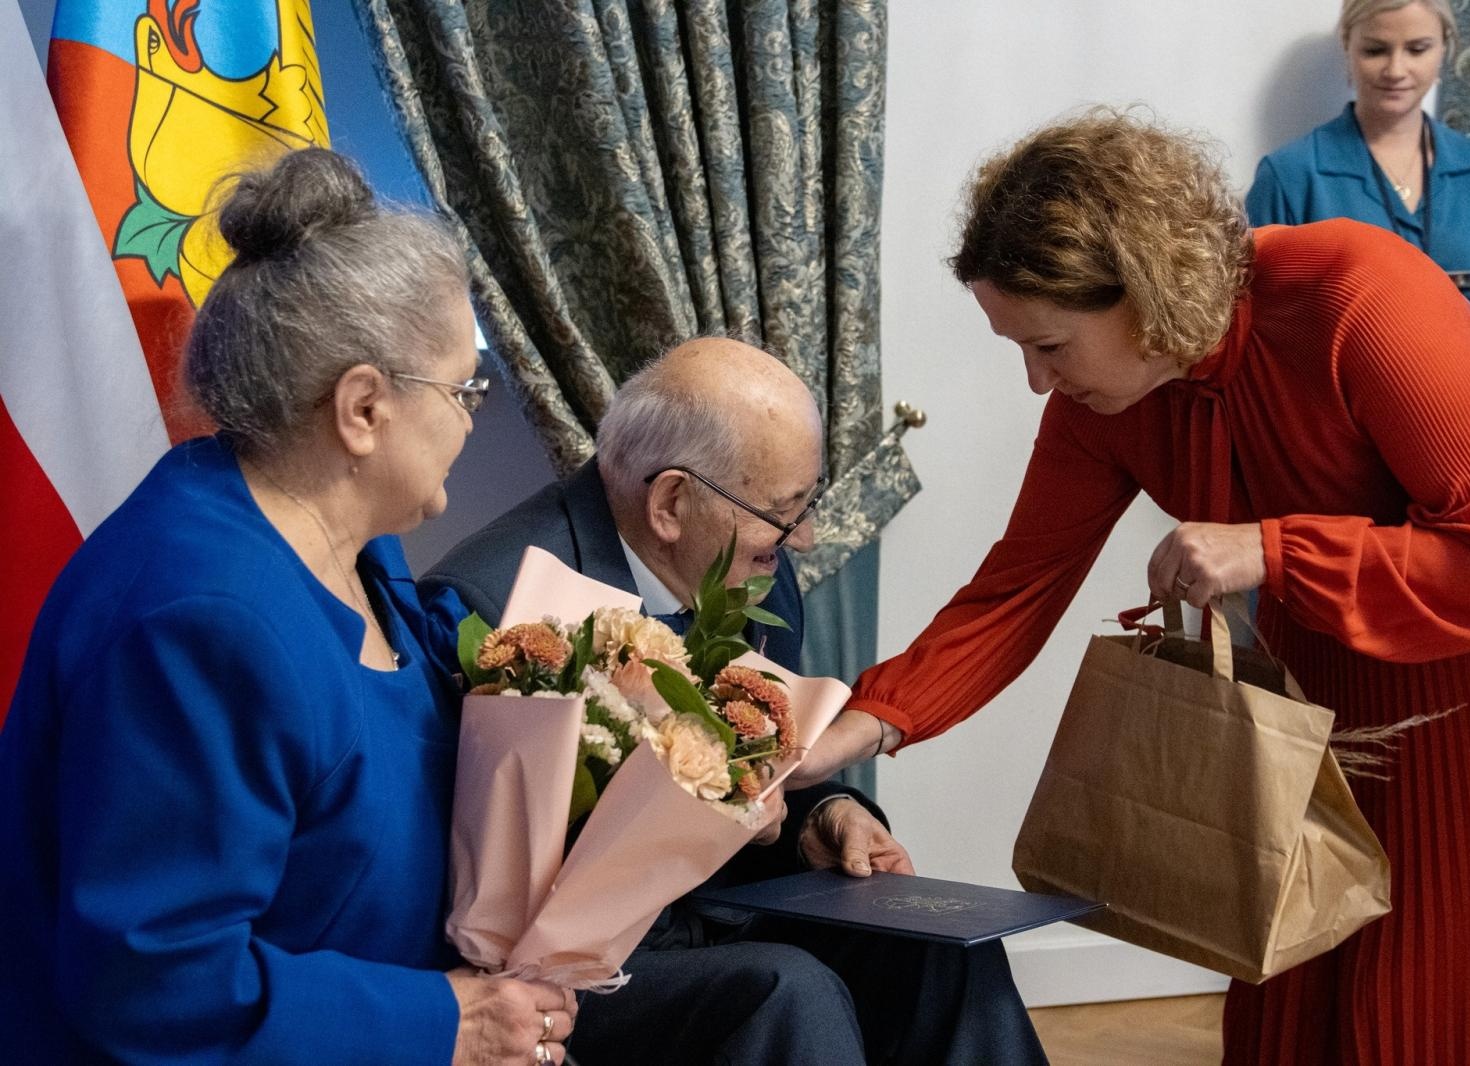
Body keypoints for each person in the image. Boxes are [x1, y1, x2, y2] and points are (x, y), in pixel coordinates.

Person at [798, 111, 1470, 1064]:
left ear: (1144, 294)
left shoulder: (1361, 294)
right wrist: (865, 721)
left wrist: (1273, 551)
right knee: (1296, 958)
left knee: (1426, 979)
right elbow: (1017, 587)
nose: (1035, 383)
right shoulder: (1115, 395)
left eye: (1050, 346)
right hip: (1327, 644)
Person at [0, 149, 575, 1065]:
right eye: (466, 388)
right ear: (361, 409)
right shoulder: (204, 620)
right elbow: (155, 983)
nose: (473, 417)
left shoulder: (346, 541)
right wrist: (449, 1025)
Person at [422, 336, 1047, 1066]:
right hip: (573, 976)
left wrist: (820, 814)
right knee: (786, 992)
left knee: (947, 956)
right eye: (784, 512)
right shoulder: (491, 608)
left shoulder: (755, 576)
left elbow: (757, 781)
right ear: (672, 502)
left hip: (731, 912)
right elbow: (465, 884)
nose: (805, 538)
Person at [1244, 0, 1470, 323]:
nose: (1396, 70)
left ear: (1444, 47)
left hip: (1459, 374)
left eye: (1417, 49)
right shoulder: (1290, 175)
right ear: (1348, 47)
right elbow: (1262, 325)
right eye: (1375, 50)